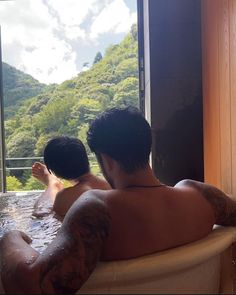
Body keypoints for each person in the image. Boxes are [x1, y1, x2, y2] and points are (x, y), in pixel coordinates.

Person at [1, 106, 236, 294]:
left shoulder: (98, 208)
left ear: (107, 160)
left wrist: (11, 237)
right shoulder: (200, 194)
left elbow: (33, 285)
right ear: (147, 147)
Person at [32, 136, 110, 218]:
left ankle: (53, 183)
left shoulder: (64, 197)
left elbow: (42, 215)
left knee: (40, 214)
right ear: (85, 158)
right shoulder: (112, 186)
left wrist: (51, 181)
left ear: (54, 171)